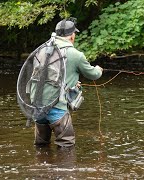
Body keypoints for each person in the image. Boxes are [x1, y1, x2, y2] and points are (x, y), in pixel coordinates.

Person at [34, 18, 103, 147]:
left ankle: (40, 166)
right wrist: (99, 70)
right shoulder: (75, 54)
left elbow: (47, 76)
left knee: (41, 146)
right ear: (72, 36)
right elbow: (93, 75)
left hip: (37, 106)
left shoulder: (41, 51)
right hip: (57, 106)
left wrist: (72, 83)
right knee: (66, 146)